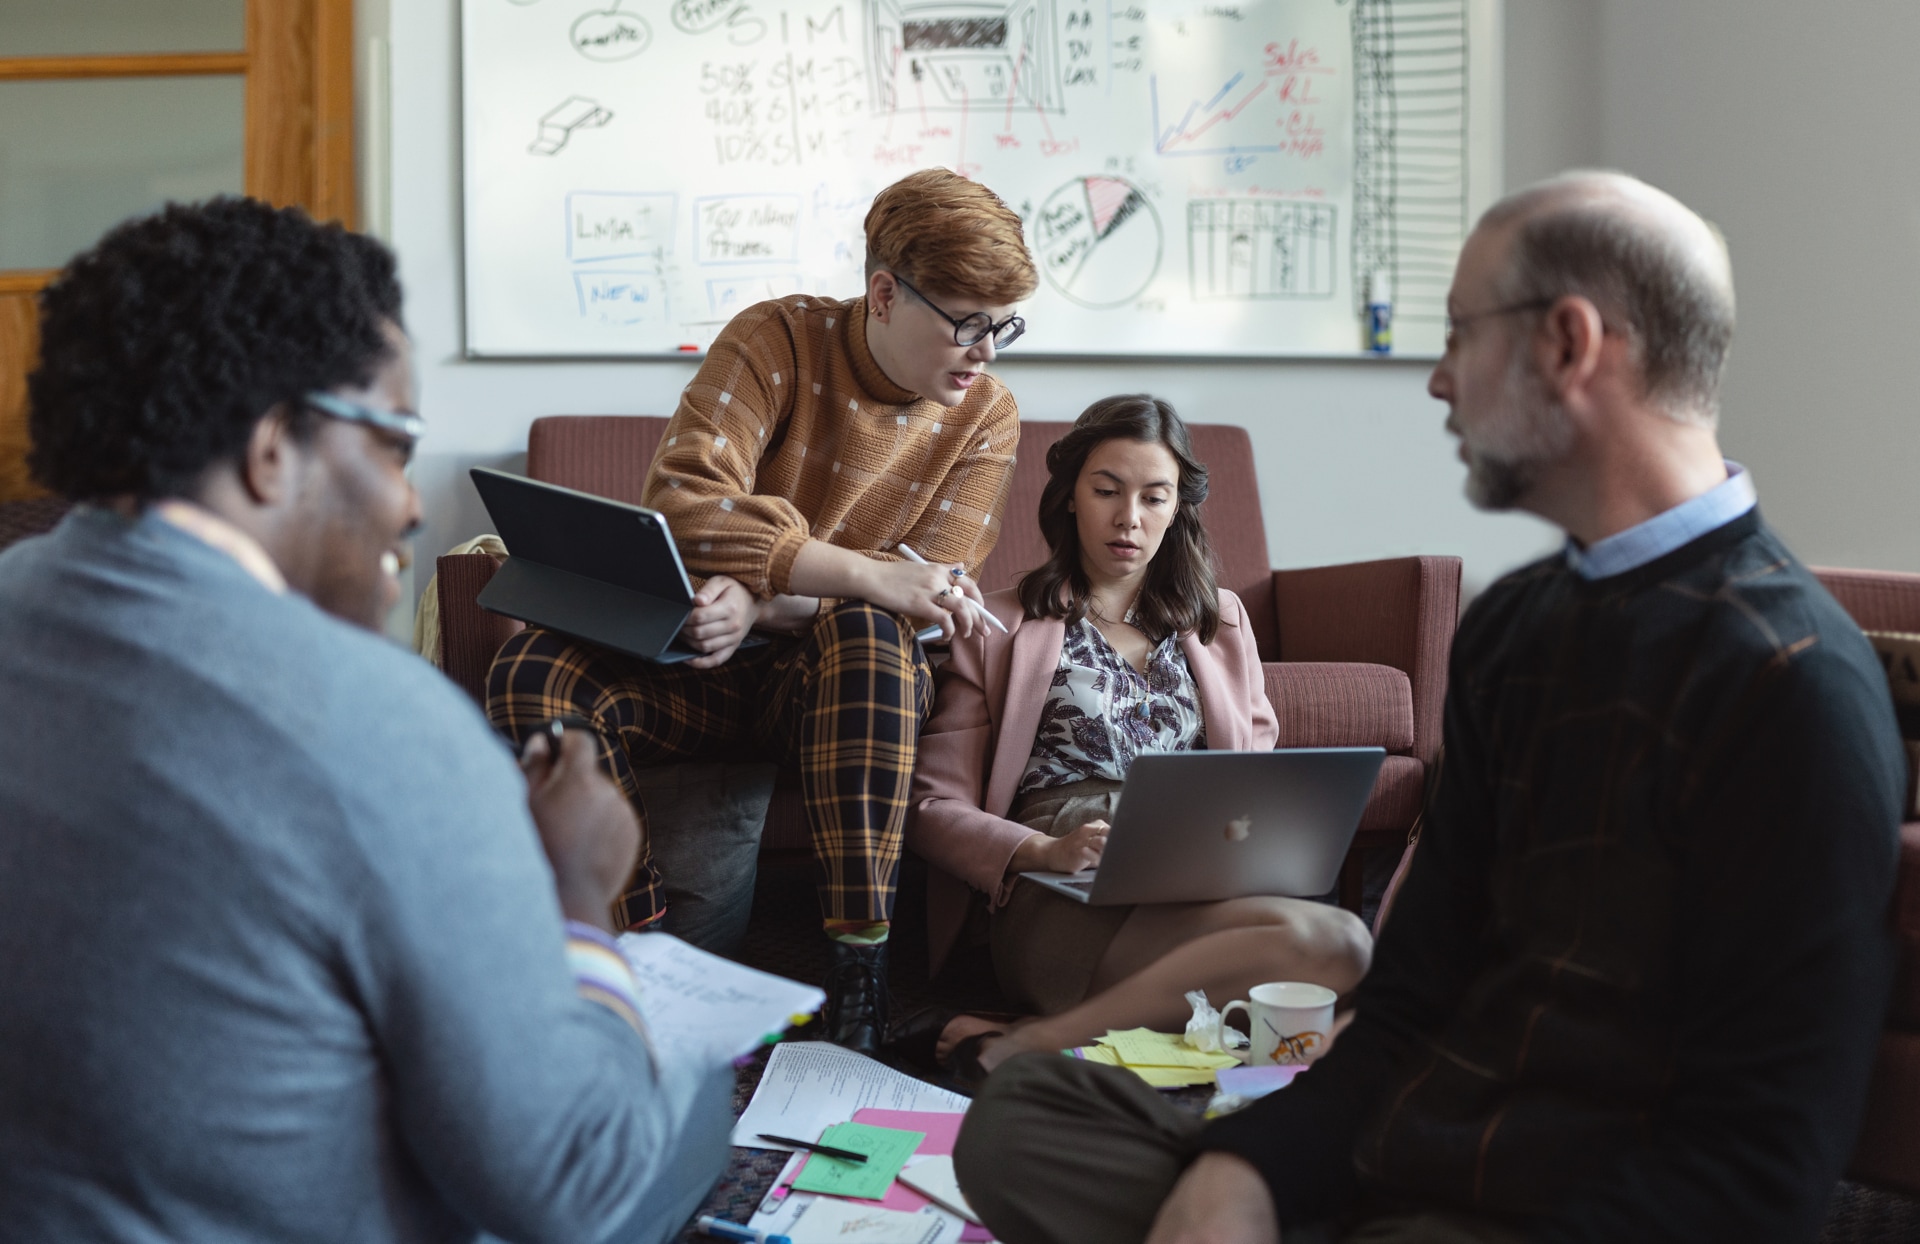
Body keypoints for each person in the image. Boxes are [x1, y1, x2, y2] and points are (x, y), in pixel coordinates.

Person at [953, 171, 1908, 1244]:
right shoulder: (1518, 626)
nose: (1438, 381)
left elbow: (1760, 1168)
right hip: (1401, 1148)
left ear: (1567, 343)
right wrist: (1244, 1171)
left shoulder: (1792, 679)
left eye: (1459, 334)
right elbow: (1406, 1002)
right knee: (1020, 1123)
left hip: (1557, 1207)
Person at [0, 198, 731, 1243]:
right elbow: (575, 1187)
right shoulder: (386, 727)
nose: (409, 504)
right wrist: (575, 893)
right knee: (690, 1094)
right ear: (268, 450)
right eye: (394, 443)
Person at [487, 168, 1039, 1053]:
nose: (985, 352)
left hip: (837, 691)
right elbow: (684, 504)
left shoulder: (987, 417)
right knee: (530, 669)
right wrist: (838, 575)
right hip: (697, 668)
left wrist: (762, 590)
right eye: (966, 322)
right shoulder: (776, 338)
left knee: (871, 630)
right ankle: (632, 951)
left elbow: (926, 590)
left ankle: (861, 976)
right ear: (885, 293)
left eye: (1002, 326)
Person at [898, 395, 1371, 1082]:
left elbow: (1256, 782)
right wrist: (1043, 849)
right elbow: (931, 811)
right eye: (1107, 491)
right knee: (1324, 954)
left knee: (1348, 941)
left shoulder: (1222, 621)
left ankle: (1041, 1037)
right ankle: (1062, 1032)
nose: (1129, 518)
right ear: (1069, 499)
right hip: (1063, 888)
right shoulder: (998, 624)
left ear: (1178, 509)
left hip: (1195, 878)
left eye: (1154, 498)